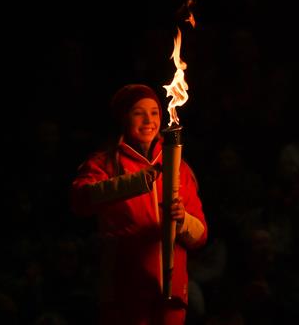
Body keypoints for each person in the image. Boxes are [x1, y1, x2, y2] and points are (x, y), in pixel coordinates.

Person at [71, 84, 208, 325]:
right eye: (138, 112)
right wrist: (137, 181)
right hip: (124, 292)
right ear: (124, 118)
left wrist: (183, 220)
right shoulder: (105, 163)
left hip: (171, 294)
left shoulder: (179, 167)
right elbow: (80, 200)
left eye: (154, 112)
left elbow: (201, 236)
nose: (149, 120)